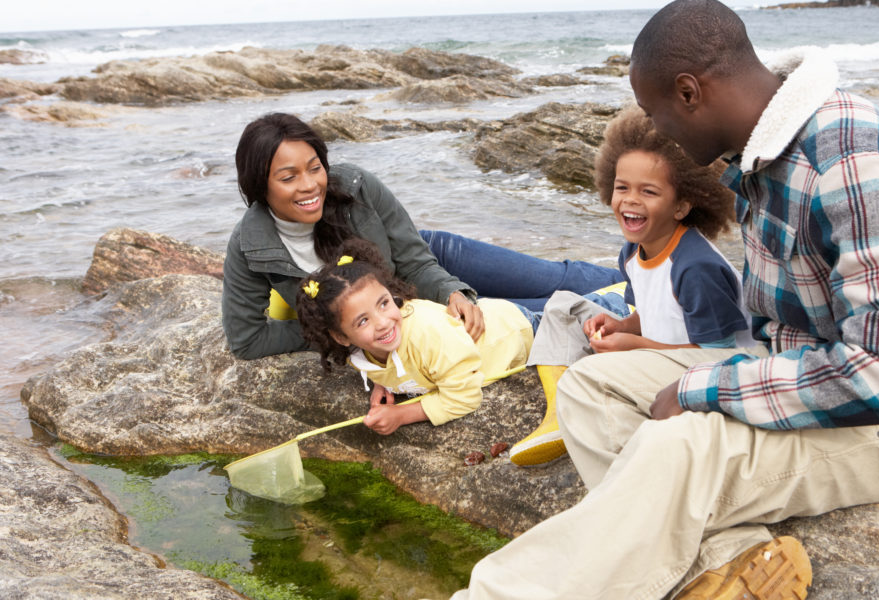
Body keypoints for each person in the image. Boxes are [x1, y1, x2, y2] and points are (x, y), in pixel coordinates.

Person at [451, 1, 879, 599]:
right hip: (809, 371)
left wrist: (704, 391)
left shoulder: (850, 164)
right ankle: (731, 561)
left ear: (689, 91)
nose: (656, 131)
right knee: (591, 387)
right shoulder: (761, 160)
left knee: (680, 440)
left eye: (653, 112)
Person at [221, 112, 623, 360]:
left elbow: (413, 257)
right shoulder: (250, 246)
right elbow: (247, 340)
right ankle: (632, 311)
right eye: (288, 177)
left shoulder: (357, 185)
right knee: (532, 311)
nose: (310, 185)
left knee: (555, 277)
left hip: (427, 257)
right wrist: (336, 329)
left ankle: (653, 272)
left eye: (315, 167)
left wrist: (451, 291)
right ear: (260, 185)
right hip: (402, 306)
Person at [508, 105, 755, 467]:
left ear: (683, 205)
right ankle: (557, 416)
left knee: (596, 373)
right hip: (660, 353)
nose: (630, 200)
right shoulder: (632, 252)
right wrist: (623, 326)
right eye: (622, 187)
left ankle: (590, 412)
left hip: (705, 371)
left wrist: (635, 346)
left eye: (649, 192)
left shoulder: (696, 267)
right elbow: (652, 314)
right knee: (562, 306)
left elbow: (716, 356)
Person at [294, 237, 534, 434]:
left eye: (384, 303)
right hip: (496, 319)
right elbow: (392, 364)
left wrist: (401, 415)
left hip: (518, 331)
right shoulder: (359, 351)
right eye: (363, 320)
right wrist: (383, 381)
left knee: (566, 312)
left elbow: (466, 396)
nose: (383, 322)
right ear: (341, 337)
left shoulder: (428, 334)